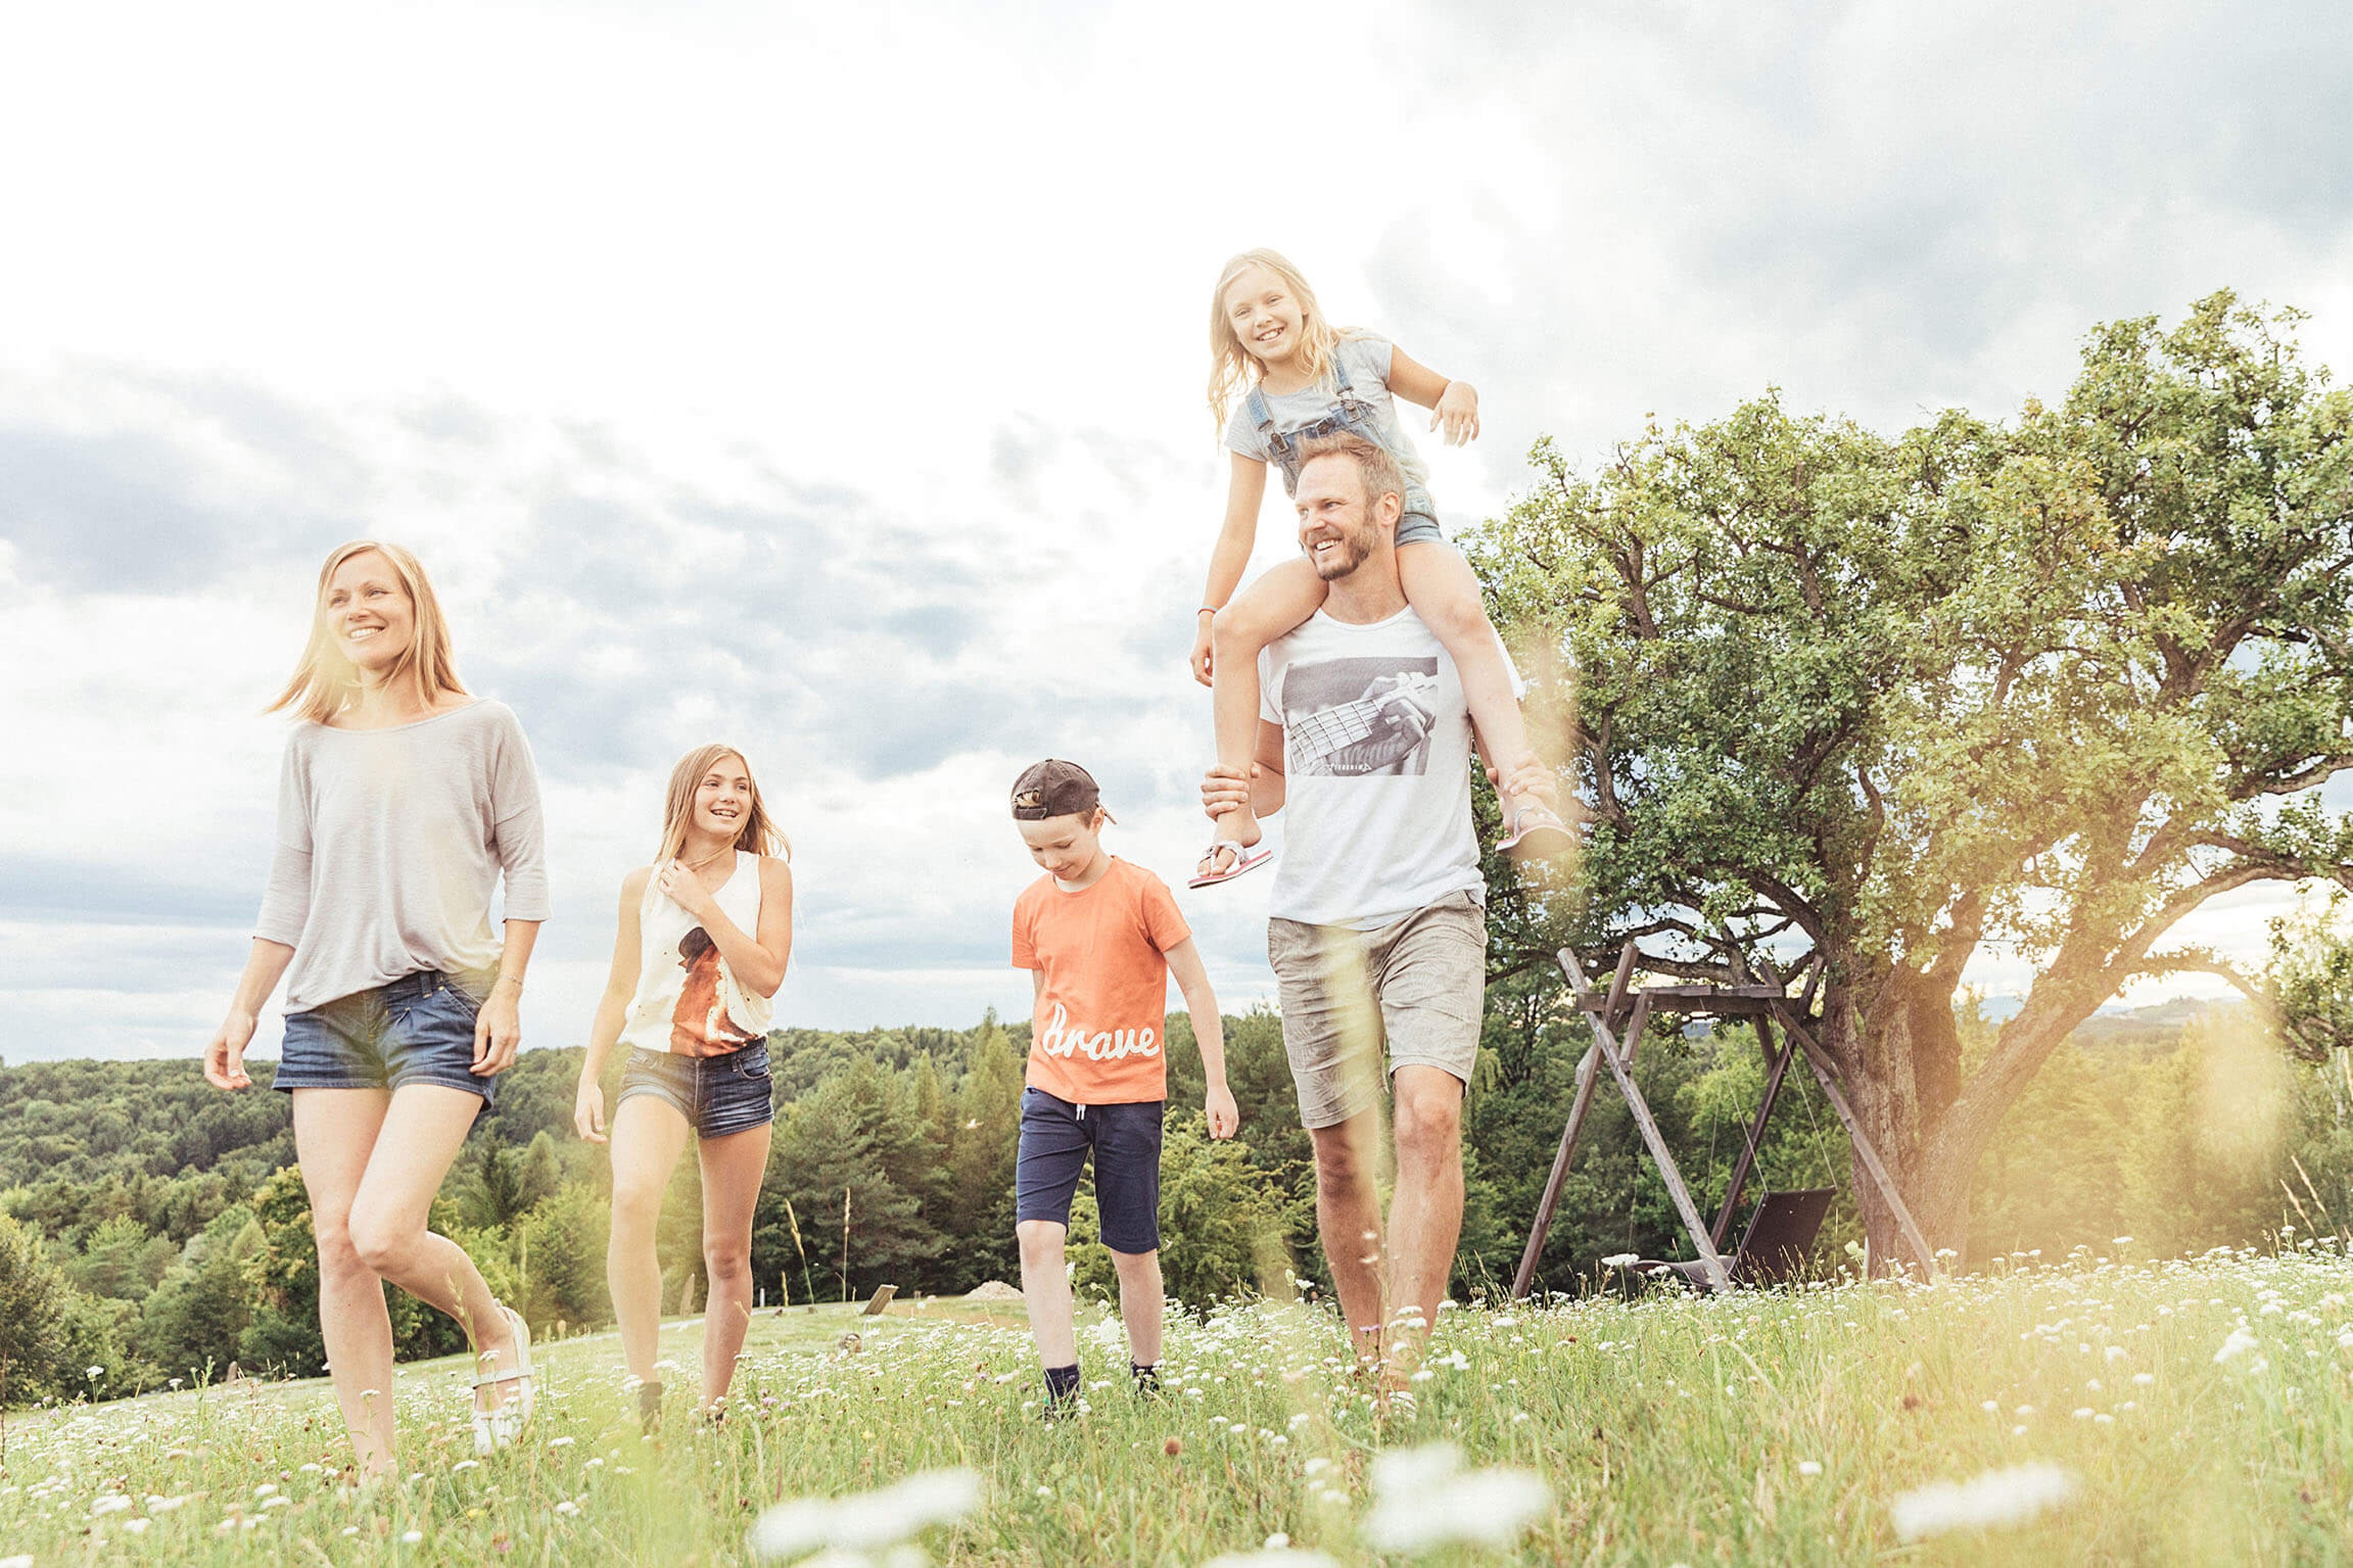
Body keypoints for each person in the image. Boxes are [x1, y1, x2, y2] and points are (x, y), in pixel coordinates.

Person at [1201, 434, 1563, 1384]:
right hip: (1313, 916)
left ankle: (1407, 1360)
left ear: (1383, 508)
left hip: (1432, 900)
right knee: (1339, 1158)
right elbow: (1281, 777)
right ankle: (1366, 1356)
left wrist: (1525, 785)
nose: (1314, 522)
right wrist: (1235, 799)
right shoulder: (1285, 639)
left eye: (1330, 505)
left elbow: (1500, 742)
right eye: (1304, 508)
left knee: (1428, 1118)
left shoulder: (1443, 627)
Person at [203, 540, 548, 1473]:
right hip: (324, 1011)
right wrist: (243, 1009)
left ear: (416, 603)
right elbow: (290, 886)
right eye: (339, 596)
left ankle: (493, 1328)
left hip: (444, 1000)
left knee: (384, 1229)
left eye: (376, 590)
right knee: (336, 1242)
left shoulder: (484, 725)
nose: (359, 606)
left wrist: (509, 989)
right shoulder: (311, 743)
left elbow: (528, 869)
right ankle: (378, 1475)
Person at [1188, 247, 1569, 887]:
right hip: (1327, 547)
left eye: (1272, 300)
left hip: (1406, 529)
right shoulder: (1253, 419)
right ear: (1232, 333)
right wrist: (1206, 614)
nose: (1262, 318)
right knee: (1234, 629)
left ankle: (1523, 794)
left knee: (1461, 615)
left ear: (1302, 301)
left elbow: (1448, 387)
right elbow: (1237, 529)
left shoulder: (1360, 355)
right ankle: (1236, 825)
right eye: (1243, 312)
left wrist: (1461, 397)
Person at [1007, 759, 1238, 1418]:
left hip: (1131, 1097)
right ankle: (1062, 1393)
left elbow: (1195, 986)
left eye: (1064, 844)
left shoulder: (1143, 892)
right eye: (1035, 849)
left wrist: (1216, 1083)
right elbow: (1043, 996)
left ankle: (1148, 1376)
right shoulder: (1030, 905)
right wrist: (1048, 1064)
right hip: (1051, 1094)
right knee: (1037, 1237)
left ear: (1097, 821)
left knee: (1130, 1250)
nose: (1052, 860)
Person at [574, 744, 793, 1431]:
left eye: (741, 786)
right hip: (655, 1067)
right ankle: (645, 1388)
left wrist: (704, 904)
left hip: (739, 1070)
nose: (729, 796)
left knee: (727, 1250)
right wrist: (588, 1077)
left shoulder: (770, 877)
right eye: (714, 784)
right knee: (634, 1199)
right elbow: (619, 990)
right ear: (687, 795)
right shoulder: (642, 885)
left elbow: (766, 975)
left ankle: (715, 1408)